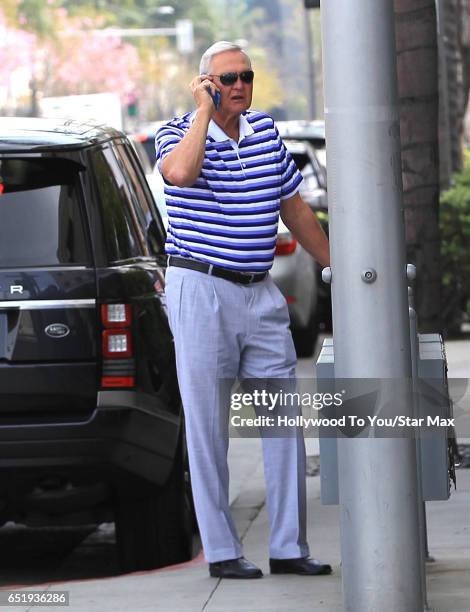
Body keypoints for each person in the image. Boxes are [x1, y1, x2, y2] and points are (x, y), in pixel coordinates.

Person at [155, 41, 331, 579]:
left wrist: (336, 266)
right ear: (206, 83)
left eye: (245, 77)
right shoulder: (176, 131)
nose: (239, 86)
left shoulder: (267, 134)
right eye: (227, 78)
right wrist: (203, 115)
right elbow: (180, 175)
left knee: (283, 423)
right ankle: (224, 552)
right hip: (200, 288)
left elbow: (293, 206)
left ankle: (288, 546)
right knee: (208, 428)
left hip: (259, 291)